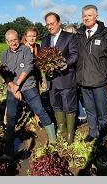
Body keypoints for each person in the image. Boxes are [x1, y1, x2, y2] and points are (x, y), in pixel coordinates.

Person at [0, 29, 56, 158]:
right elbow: (4, 73)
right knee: (11, 115)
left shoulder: (25, 50)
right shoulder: (4, 55)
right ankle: (9, 148)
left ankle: (53, 140)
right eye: (10, 41)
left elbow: (28, 67)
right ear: (6, 42)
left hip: (28, 86)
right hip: (12, 89)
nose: (13, 43)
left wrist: (18, 84)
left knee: (39, 110)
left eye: (15, 40)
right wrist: (13, 86)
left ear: (19, 38)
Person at [75, 4, 107, 147]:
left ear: (97, 17)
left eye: (89, 15)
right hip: (84, 80)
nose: (86, 18)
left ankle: (103, 134)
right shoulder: (79, 34)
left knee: (101, 110)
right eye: (84, 16)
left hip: (100, 81)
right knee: (89, 109)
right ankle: (92, 132)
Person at [41, 12, 79, 144]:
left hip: (66, 78)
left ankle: (70, 133)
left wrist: (64, 63)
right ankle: (61, 130)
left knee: (69, 106)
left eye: (52, 23)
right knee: (56, 105)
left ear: (59, 22)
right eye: (47, 24)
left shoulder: (70, 37)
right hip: (52, 80)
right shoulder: (45, 40)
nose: (50, 27)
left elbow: (74, 55)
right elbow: (41, 59)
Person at [63, 24, 87, 127]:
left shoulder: (73, 44)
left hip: (75, 73)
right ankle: (84, 113)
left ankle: (81, 115)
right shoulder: (79, 42)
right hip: (80, 73)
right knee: (80, 95)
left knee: (75, 95)